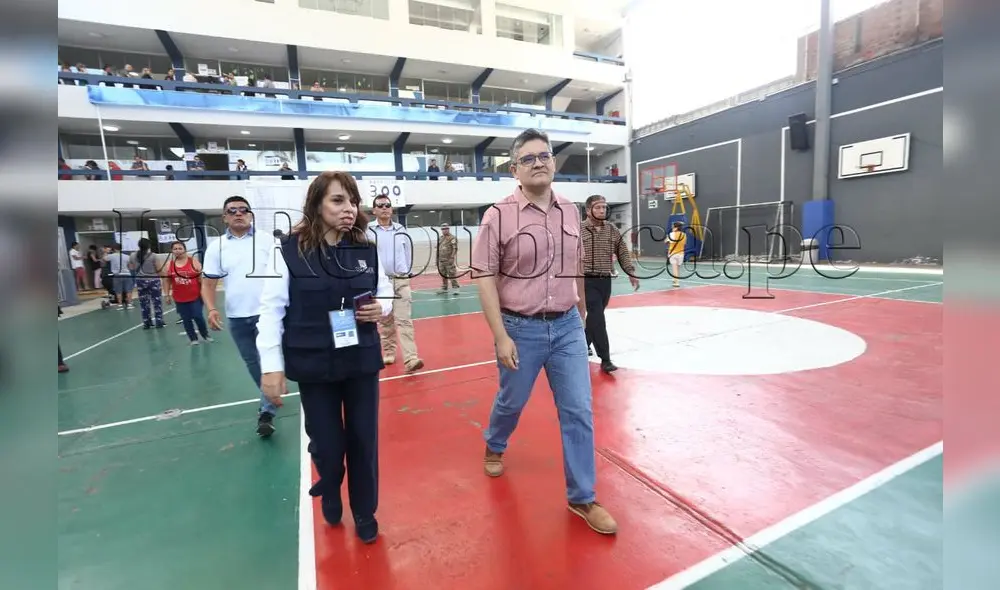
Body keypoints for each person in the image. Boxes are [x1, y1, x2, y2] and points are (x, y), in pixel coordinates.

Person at [471, 128, 618, 535]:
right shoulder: (497, 215)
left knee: (578, 410)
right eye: (529, 158)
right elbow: (484, 277)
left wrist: (584, 316)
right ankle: (495, 443)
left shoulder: (570, 210)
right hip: (520, 328)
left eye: (545, 156)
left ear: (553, 163)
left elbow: (577, 267)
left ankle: (582, 497)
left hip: (568, 325)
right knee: (511, 401)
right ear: (515, 168)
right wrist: (500, 335)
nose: (539, 162)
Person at [257, 171, 393, 544]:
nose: (348, 208)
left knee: (364, 441)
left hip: (361, 360)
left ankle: (365, 510)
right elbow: (270, 311)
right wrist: (271, 367)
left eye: (352, 201)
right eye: (337, 200)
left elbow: (386, 291)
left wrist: (381, 308)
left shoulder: (366, 248)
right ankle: (330, 483)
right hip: (313, 361)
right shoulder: (287, 250)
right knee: (327, 443)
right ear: (316, 204)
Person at [202, 196, 279, 437]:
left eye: (243, 210)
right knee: (252, 363)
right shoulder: (217, 248)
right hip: (236, 317)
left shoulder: (268, 241)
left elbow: (284, 276)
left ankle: (266, 411)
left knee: (269, 360)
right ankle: (270, 395)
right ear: (224, 217)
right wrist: (212, 309)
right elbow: (208, 283)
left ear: (250, 214)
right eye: (232, 210)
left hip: (267, 314)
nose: (238, 213)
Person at [581, 194, 639, 373]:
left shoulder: (611, 229)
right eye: (598, 207)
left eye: (604, 208)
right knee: (597, 316)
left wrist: (630, 271)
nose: (602, 210)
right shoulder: (578, 229)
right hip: (585, 280)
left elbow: (621, 250)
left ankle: (582, 344)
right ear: (588, 210)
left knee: (594, 317)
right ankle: (605, 359)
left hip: (605, 280)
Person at [367, 195, 424, 372]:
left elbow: (407, 251)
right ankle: (389, 351)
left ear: (391, 209)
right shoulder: (367, 231)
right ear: (374, 210)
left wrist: (406, 270)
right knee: (385, 321)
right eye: (380, 205)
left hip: (400, 281)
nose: (384, 208)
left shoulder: (401, 229)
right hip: (380, 282)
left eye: (387, 205)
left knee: (404, 320)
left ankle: (411, 358)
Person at [164, 240, 212, 345]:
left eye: (180, 248)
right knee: (186, 319)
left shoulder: (193, 261)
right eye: (175, 249)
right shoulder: (169, 265)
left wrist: (205, 292)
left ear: (185, 250)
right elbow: (167, 281)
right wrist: (166, 295)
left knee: (198, 315)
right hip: (179, 297)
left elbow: (201, 279)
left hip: (195, 295)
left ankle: (205, 334)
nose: (177, 251)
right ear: (172, 251)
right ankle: (193, 339)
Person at [129, 238, 165, 329]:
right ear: (148, 246)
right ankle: (159, 321)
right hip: (153, 280)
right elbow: (159, 269)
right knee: (157, 302)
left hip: (140, 281)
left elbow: (131, 267)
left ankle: (147, 322)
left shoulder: (133, 255)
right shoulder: (153, 256)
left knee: (144, 303)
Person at [436, 223, 460, 294]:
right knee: (443, 275)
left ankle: (455, 288)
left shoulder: (452, 238)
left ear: (448, 229)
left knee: (452, 274)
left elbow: (455, 248)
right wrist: (437, 260)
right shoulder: (440, 238)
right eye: (443, 229)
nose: (444, 230)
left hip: (449, 260)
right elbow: (438, 249)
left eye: (446, 229)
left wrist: (452, 257)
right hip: (441, 260)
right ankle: (444, 288)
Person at [665, 221, 687, 288]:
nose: (672, 228)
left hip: (673, 253)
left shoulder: (672, 234)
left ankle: (676, 282)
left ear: (676, 228)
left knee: (674, 268)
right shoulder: (684, 235)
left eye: (673, 227)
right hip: (681, 253)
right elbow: (684, 243)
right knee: (677, 268)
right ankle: (675, 280)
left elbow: (666, 242)